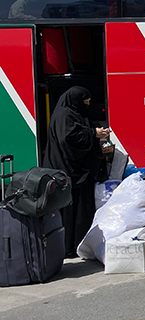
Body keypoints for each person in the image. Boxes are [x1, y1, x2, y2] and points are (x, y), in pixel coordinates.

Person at [43, 86, 109, 257]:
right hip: (69, 171)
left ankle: (78, 244)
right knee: (72, 211)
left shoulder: (70, 113)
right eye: (85, 102)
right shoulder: (65, 115)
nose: (87, 105)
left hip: (73, 171)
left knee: (79, 209)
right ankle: (70, 246)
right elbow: (69, 139)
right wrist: (93, 133)